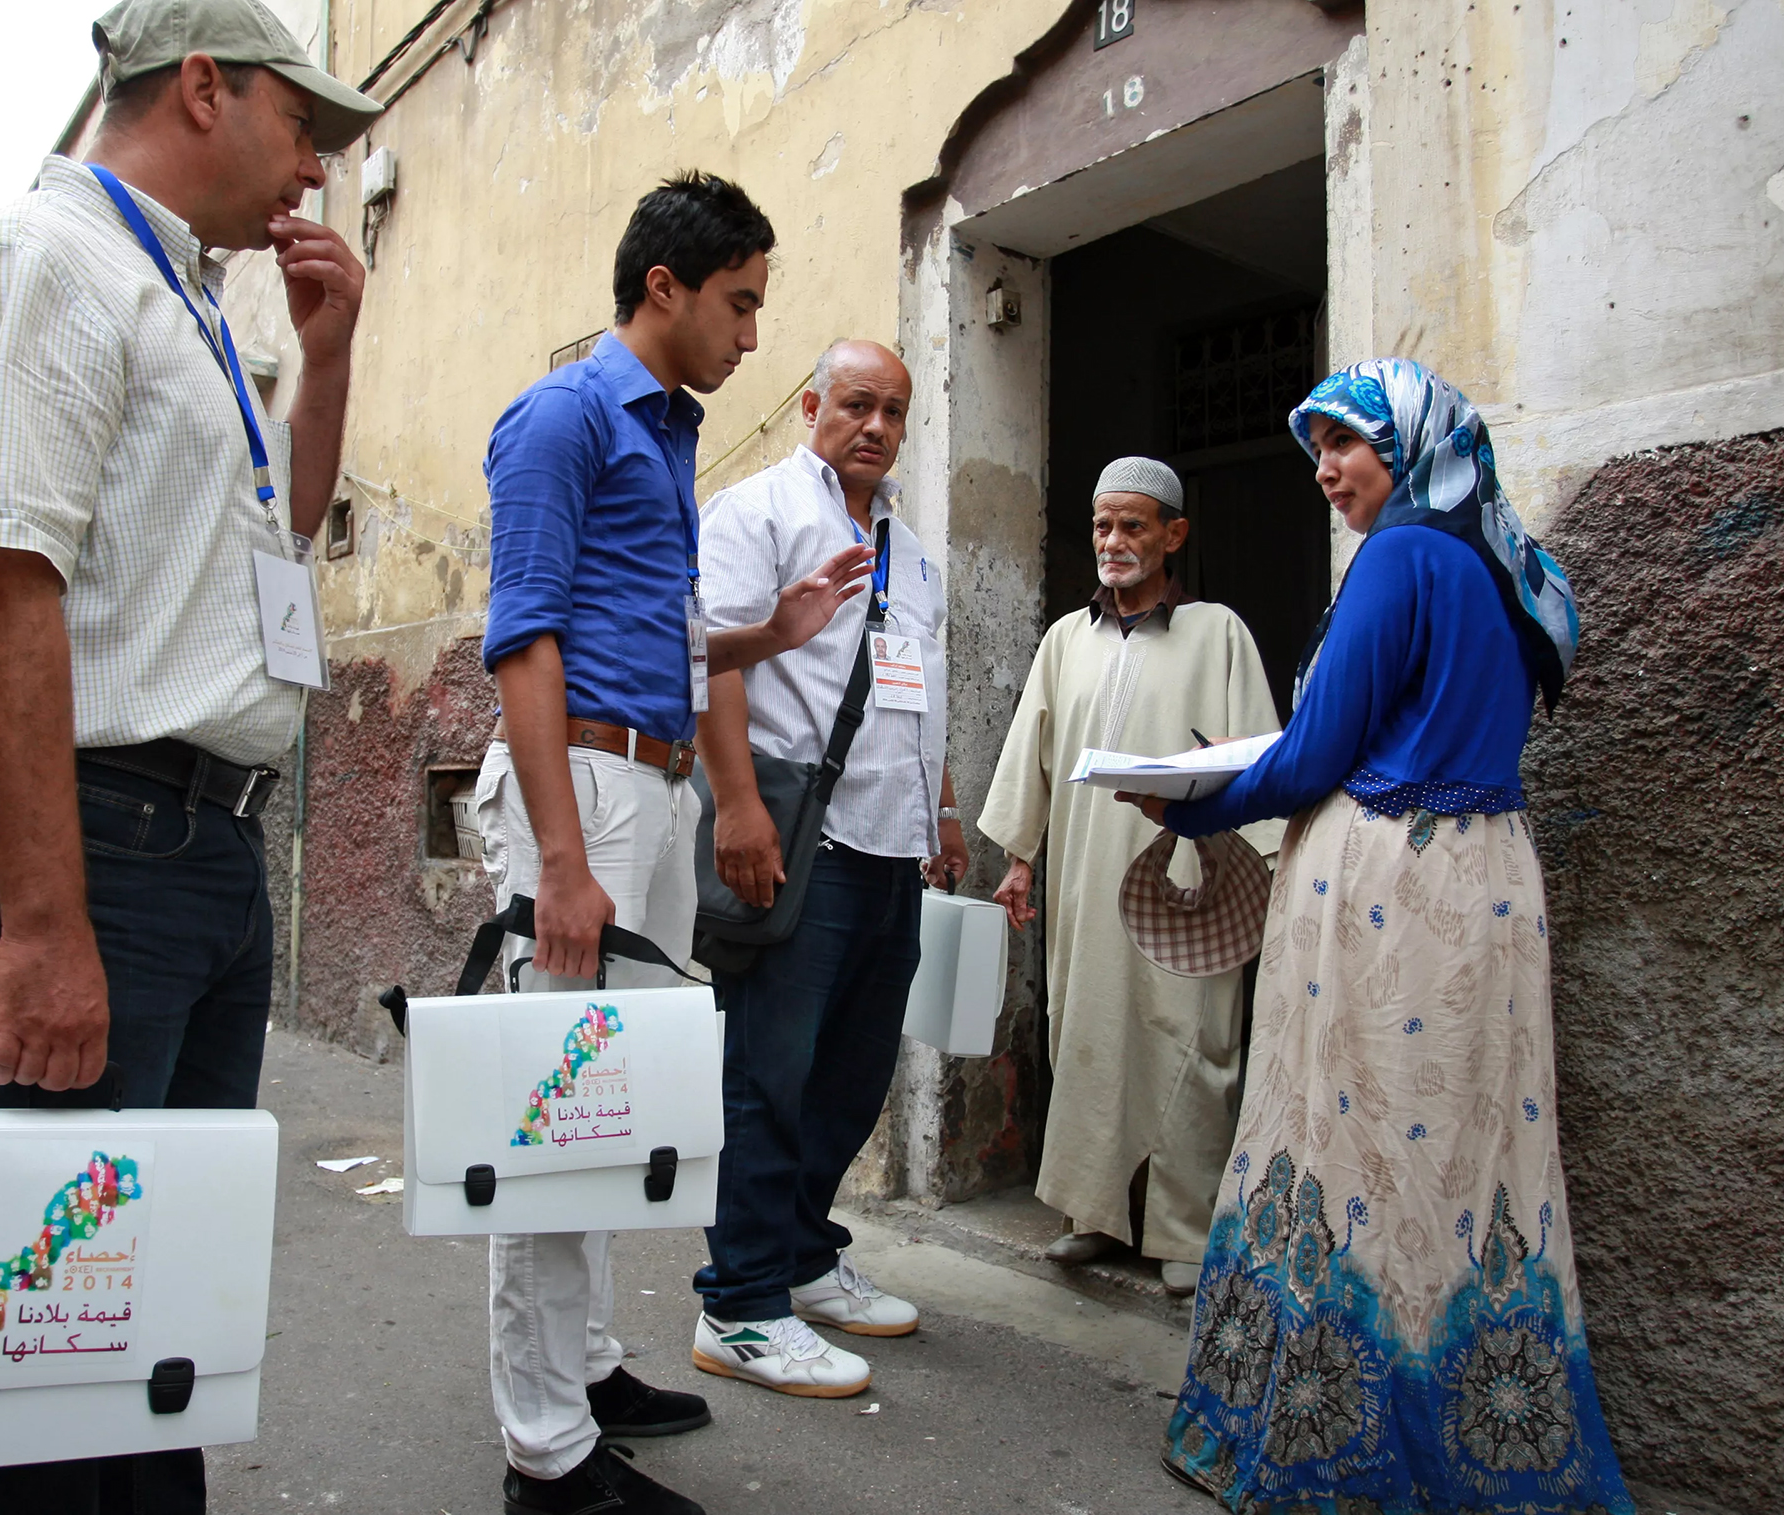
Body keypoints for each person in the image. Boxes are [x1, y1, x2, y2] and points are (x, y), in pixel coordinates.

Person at [0, 0, 379, 1507]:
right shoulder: (44, 261)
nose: (315, 173)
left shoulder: (191, 305)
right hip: (101, 838)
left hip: (204, 844)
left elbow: (275, 559)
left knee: (152, 1317)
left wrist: (327, 356)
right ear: (204, 88)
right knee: (44, 1342)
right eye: (306, 130)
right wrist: (40, 919)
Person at [1125, 358, 1629, 1513]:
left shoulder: (1399, 558)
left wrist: (1186, 806)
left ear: (1406, 450)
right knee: (1463, 1164)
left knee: (1344, 1155)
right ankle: (1485, 1438)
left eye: (1345, 444)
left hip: (1387, 886)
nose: (1322, 470)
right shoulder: (1500, 572)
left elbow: (1310, 755)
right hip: (1487, 881)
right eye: (1316, 448)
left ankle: (1331, 1448)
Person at [478, 172, 863, 1515]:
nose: (754, 336)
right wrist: (564, 856)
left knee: (601, 1109)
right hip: (578, 787)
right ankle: (545, 1450)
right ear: (666, 286)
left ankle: (581, 1369)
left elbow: (667, 631)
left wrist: (774, 632)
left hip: (646, 784)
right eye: (741, 304)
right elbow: (523, 634)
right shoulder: (565, 415)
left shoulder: (664, 431)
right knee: (546, 1117)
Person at [687, 340, 967, 1396]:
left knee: (849, 1075)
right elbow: (712, 655)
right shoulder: (755, 514)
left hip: (890, 847)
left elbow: (916, 692)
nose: (877, 427)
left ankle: (803, 1258)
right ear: (810, 406)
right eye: (857, 404)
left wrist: (940, 809)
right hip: (797, 838)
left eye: (893, 411)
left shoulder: (910, 546)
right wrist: (738, 806)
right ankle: (740, 1302)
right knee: (765, 1076)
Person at [978, 458, 1284, 1295]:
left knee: (1188, 1033)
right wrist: (1018, 860)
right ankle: (1094, 1215)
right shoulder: (1064, 639)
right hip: (1083, 879)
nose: (1113, 541)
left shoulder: (1218, 632)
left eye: (1133, 525)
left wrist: (1262, 873)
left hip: (1191, 874)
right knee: (1087, 1026)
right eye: (1103, 526)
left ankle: (1183, 1228)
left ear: (1173, 534)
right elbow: (1031, 754)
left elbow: (1258, 755)